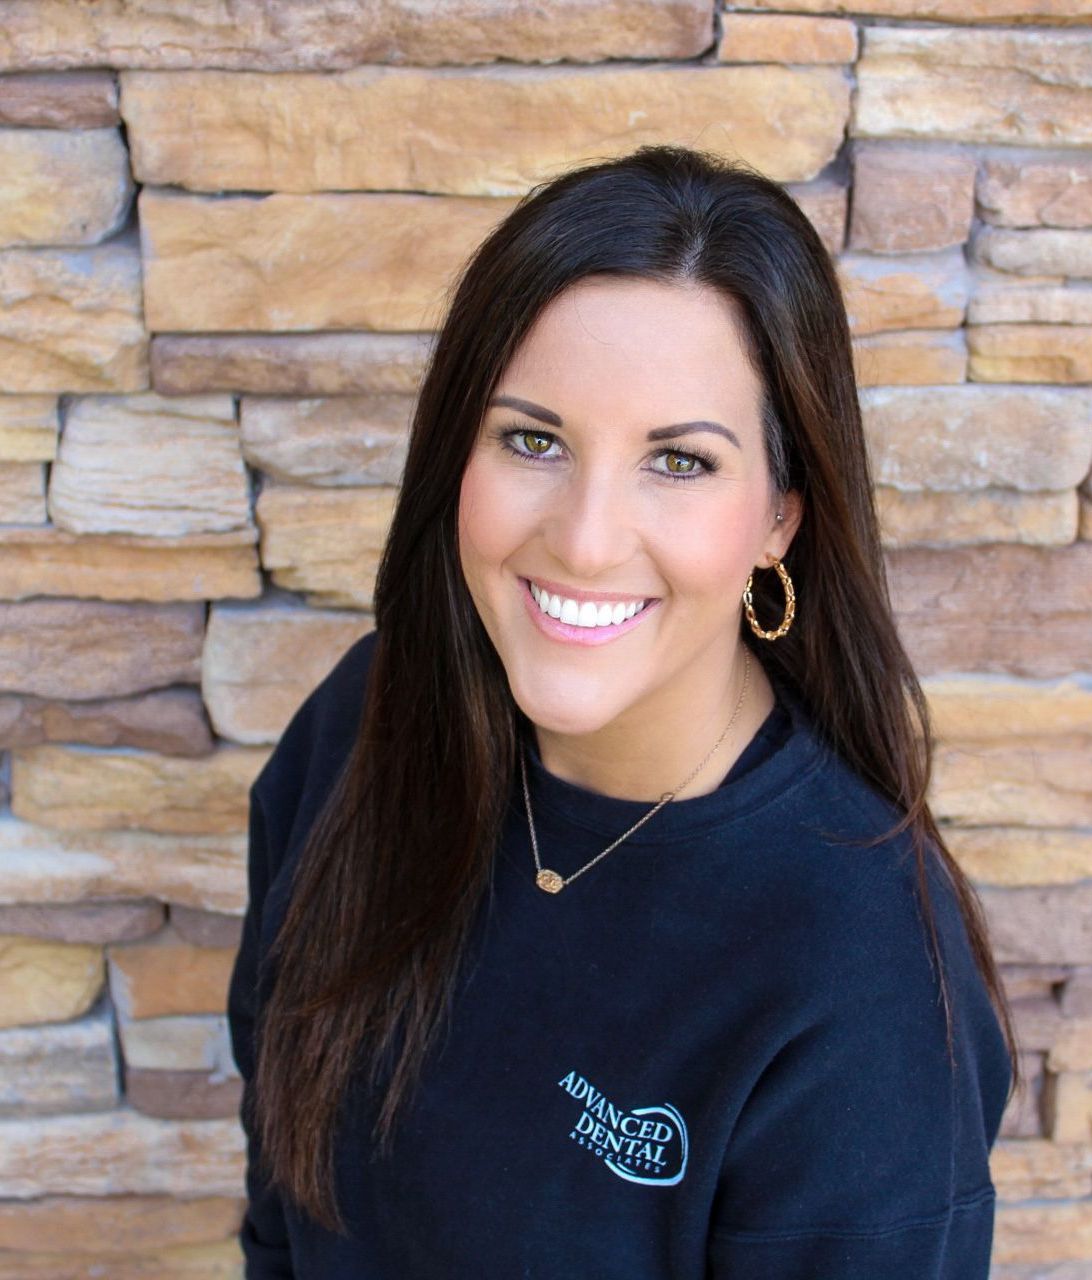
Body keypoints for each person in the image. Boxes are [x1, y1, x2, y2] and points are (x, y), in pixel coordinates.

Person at [227, 143, 1020, 1279]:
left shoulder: (861, 979)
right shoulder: (365, 722)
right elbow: (281, 1193)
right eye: (533, 439)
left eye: (679, 462)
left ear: (779, 518)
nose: (586, 537)